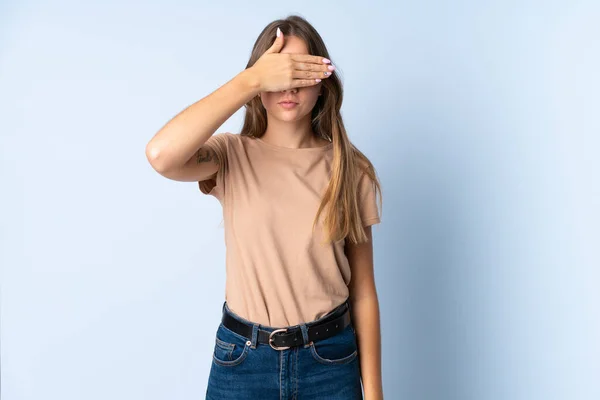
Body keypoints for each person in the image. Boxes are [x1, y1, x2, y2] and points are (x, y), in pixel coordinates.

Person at [145, 14, 383, 400]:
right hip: (242, 361)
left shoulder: (350, 170)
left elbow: (364, 292)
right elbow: (161, 155)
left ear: (322, 82)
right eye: (278, 72)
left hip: (330, 361)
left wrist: (374, 394)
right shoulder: (230, 156)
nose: (288, 84)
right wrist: (251, 79)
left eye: (300, 71)